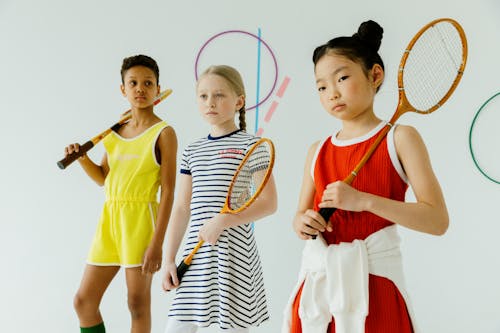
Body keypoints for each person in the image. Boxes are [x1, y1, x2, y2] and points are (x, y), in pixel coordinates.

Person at [282, 21, 449, 333]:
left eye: (342, 77)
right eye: (321, 86)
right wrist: (302, 223)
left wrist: (364, 201)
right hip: (319, 294)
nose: (332, 92)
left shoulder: (401, 138)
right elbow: (300, 217)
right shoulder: (316, 150)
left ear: (375, 75)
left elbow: (437, 220)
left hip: (377, 292)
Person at [65, 54, 177, 333]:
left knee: (137, 303)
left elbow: (170, 192)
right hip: (110, 221)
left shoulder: (164, 133)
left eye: (148, 83)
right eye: (134, 83)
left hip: (141, 222)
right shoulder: (114, 132)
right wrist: (82, 158)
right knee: (83, 301)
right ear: (123, 89)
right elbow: (104, 178)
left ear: (157, 89)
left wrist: (157, 243)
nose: (140, 89)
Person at [161, 65, 277, 333]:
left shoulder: (253, 146)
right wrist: (169, 259)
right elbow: (181, 208)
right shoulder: (192, 150)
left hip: (234, 254)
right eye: (203, 96)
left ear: (239, 101)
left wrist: (224, 220)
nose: (210, 103)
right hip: (196, 253)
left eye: (219, 95)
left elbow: (269, 203)